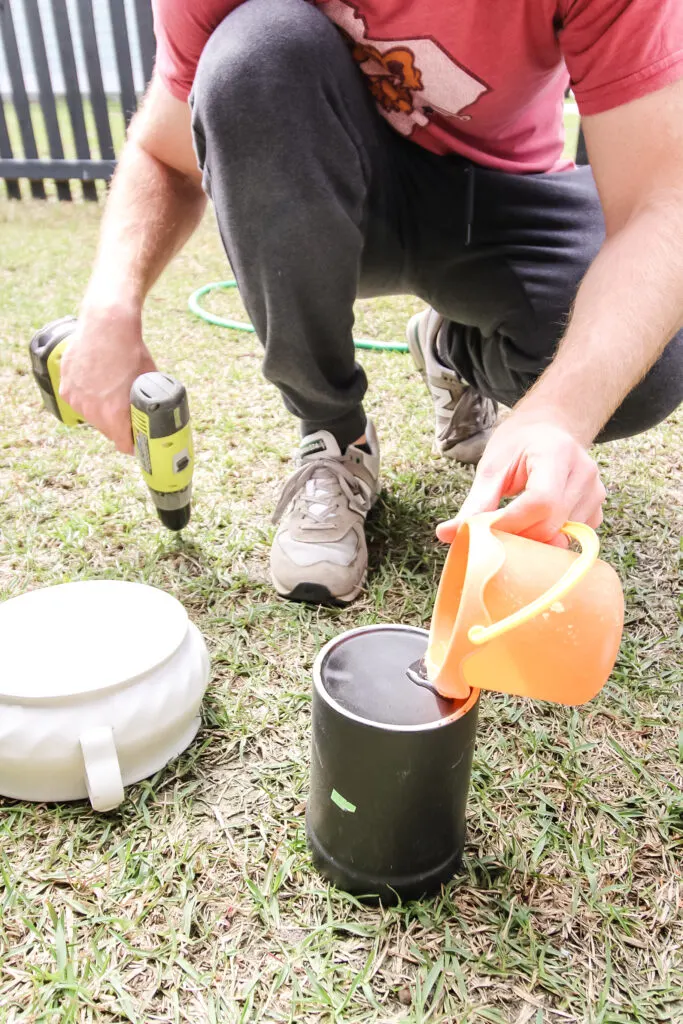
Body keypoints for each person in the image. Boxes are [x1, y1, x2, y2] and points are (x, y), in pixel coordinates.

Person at [60, 0, 683, 605]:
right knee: (259, 52)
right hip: (331, 197)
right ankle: (334, 435)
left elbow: (662, 204)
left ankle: (454, 346)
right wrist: (110, 307)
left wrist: (560, 413)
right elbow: (166, 156)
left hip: (502, 200)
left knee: (645, 366)